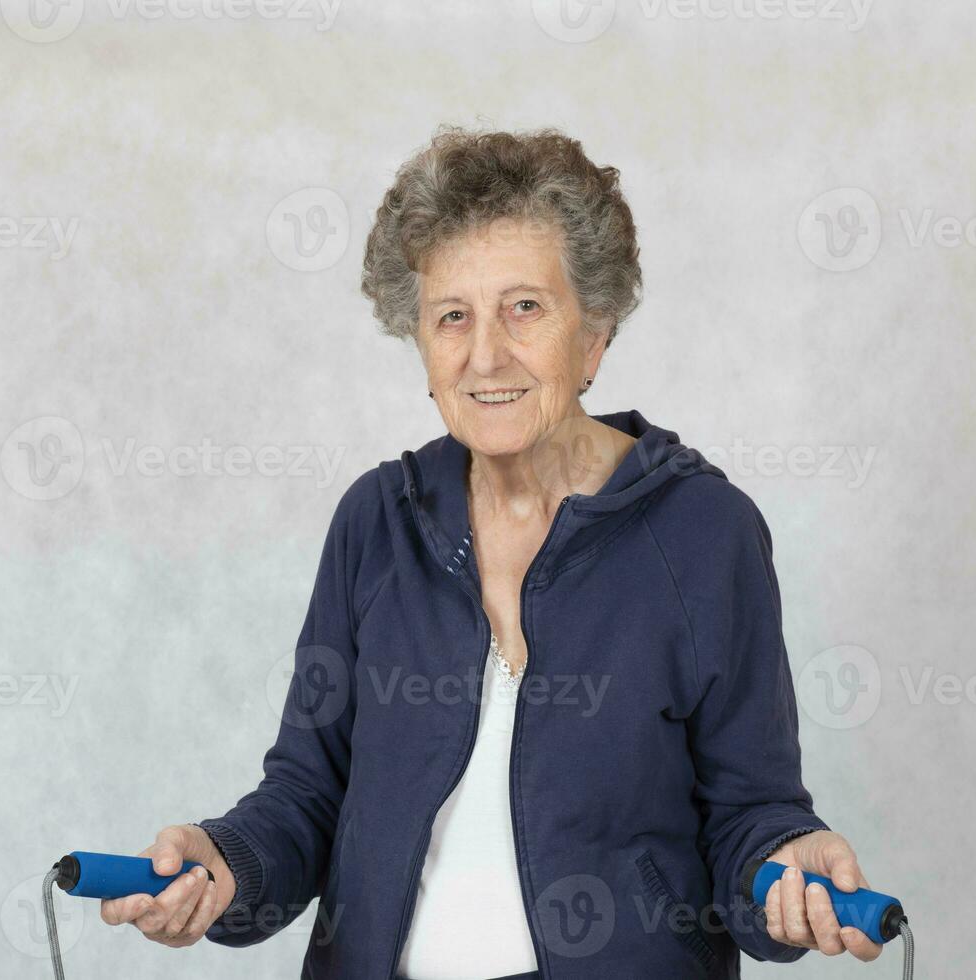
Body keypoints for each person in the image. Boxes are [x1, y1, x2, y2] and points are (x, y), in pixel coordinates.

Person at [100, 125, 884, 979]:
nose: (485, 356)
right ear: (421, 344)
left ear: (594, 332)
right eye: (452, 317)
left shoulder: (705, 533)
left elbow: (747, 812)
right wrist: (224, 864)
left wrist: (785, 866)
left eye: (524, 308)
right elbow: (308, 796)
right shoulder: (377, 522)